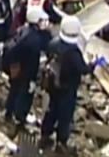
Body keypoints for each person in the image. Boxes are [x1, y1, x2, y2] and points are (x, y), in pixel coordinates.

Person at [39, 16, 100, 153]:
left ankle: (44, 135)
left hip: (53, 86)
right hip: (67, 89)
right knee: (64, 116)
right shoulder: (74, 52)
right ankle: (61, 143)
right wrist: (93, 65)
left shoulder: (54, 43)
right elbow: (83, 69)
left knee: (51, 111)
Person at [3, 6, 51, 130]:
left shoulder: (24, 30)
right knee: (24, 95)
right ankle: (19, 119)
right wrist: (32, 80)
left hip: (17, 67)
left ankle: (9, 112)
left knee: (14, 90)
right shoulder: (34, 40)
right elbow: (33, 62)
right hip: (26, 71)